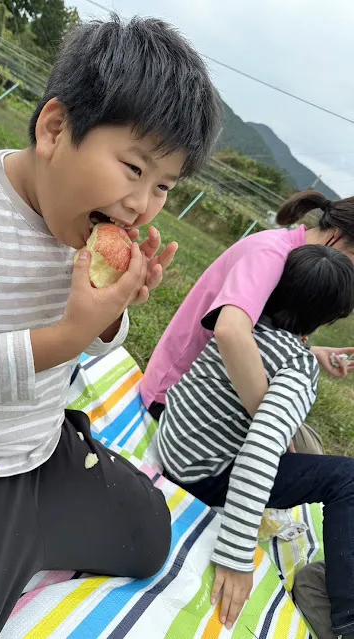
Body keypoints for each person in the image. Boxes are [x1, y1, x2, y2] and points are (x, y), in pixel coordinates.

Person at [0, 16, 222, 639]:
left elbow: (81, 341)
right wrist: (62, 337)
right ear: (56, 129)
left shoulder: (82, 227)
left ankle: (12, 548)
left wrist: (109, 314)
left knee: (149, 535)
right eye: (134, 168)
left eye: (165, 185)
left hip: (33, 451)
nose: (143, 204)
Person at [157, 244, 354, 638]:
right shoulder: (296, 368)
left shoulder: (244, 327)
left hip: (175, 447)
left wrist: (312, 354)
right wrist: (235, 555)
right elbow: (261, 451)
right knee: (348, 478)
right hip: (205, 474)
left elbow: (273, 353)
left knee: (306, 446)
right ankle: (348, 620)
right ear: (329, 318)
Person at [141, 190, 354, 454]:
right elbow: (231, 331)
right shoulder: (269, 254)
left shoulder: (290, 255)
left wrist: (313, 352)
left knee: (311, 447)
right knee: (310, 461)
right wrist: (270, 433)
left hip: (213, 390)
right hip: (177, 398)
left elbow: (255, 334)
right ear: (337, 237)